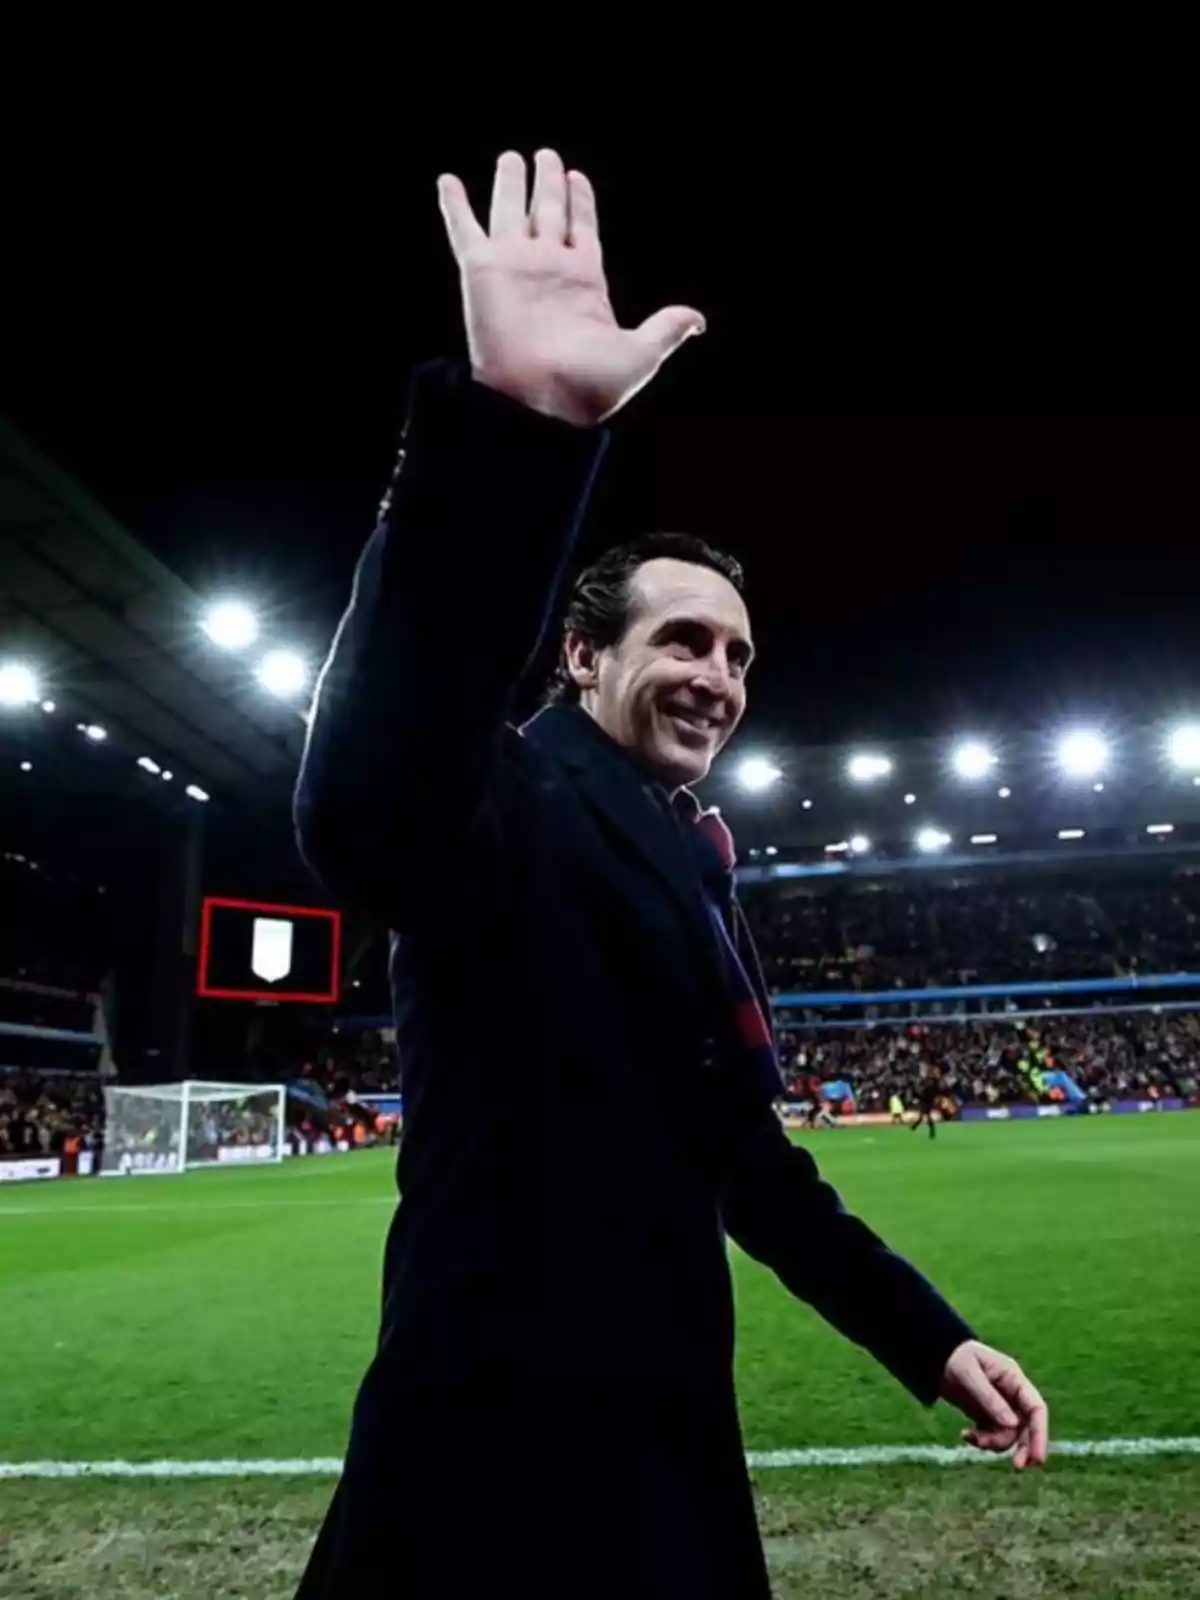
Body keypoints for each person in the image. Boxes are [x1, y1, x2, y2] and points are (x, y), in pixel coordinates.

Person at [292, 149, 1049, 1600]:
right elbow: (367, 802)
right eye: (682, 641)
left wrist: (929, 1339)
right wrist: (516, 441)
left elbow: (744, 1161)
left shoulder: (689, 849)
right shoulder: (509, 799)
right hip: (491, 1454)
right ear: (581, 657)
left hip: (658, 1430)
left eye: (740, 653)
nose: (718, 675)